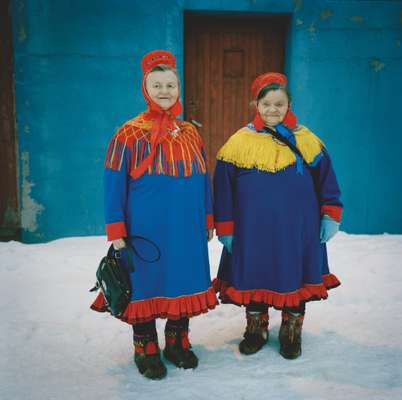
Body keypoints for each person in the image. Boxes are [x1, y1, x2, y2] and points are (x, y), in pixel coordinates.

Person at [91, 50, 217, 380]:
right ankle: (144, 348)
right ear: (146, 88)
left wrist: (207, 218)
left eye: (170, 85)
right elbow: (112, 183)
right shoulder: (128, 133)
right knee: (145, 285)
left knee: (183, 279)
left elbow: (204, 178)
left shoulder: (190, 132)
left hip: (186, 227)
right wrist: (116, 229)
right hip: (144, 230)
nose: (164, 90)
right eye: (157, 84)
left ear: (178, 89)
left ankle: (177, 342)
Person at [213, 72, 343, 359]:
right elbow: (223, 188)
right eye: (266, 103)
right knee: (255, 274)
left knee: (295, 274)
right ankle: (255, 329)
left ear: (289, 104)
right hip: (251, 229)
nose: (273, 109)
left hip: (298, 229)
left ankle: (291, 332)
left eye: (279, 103)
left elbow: (327, 181)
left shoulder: (307, 140)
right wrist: (225, 227)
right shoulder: (239, 141)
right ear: (255, 105)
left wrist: (330, 214)